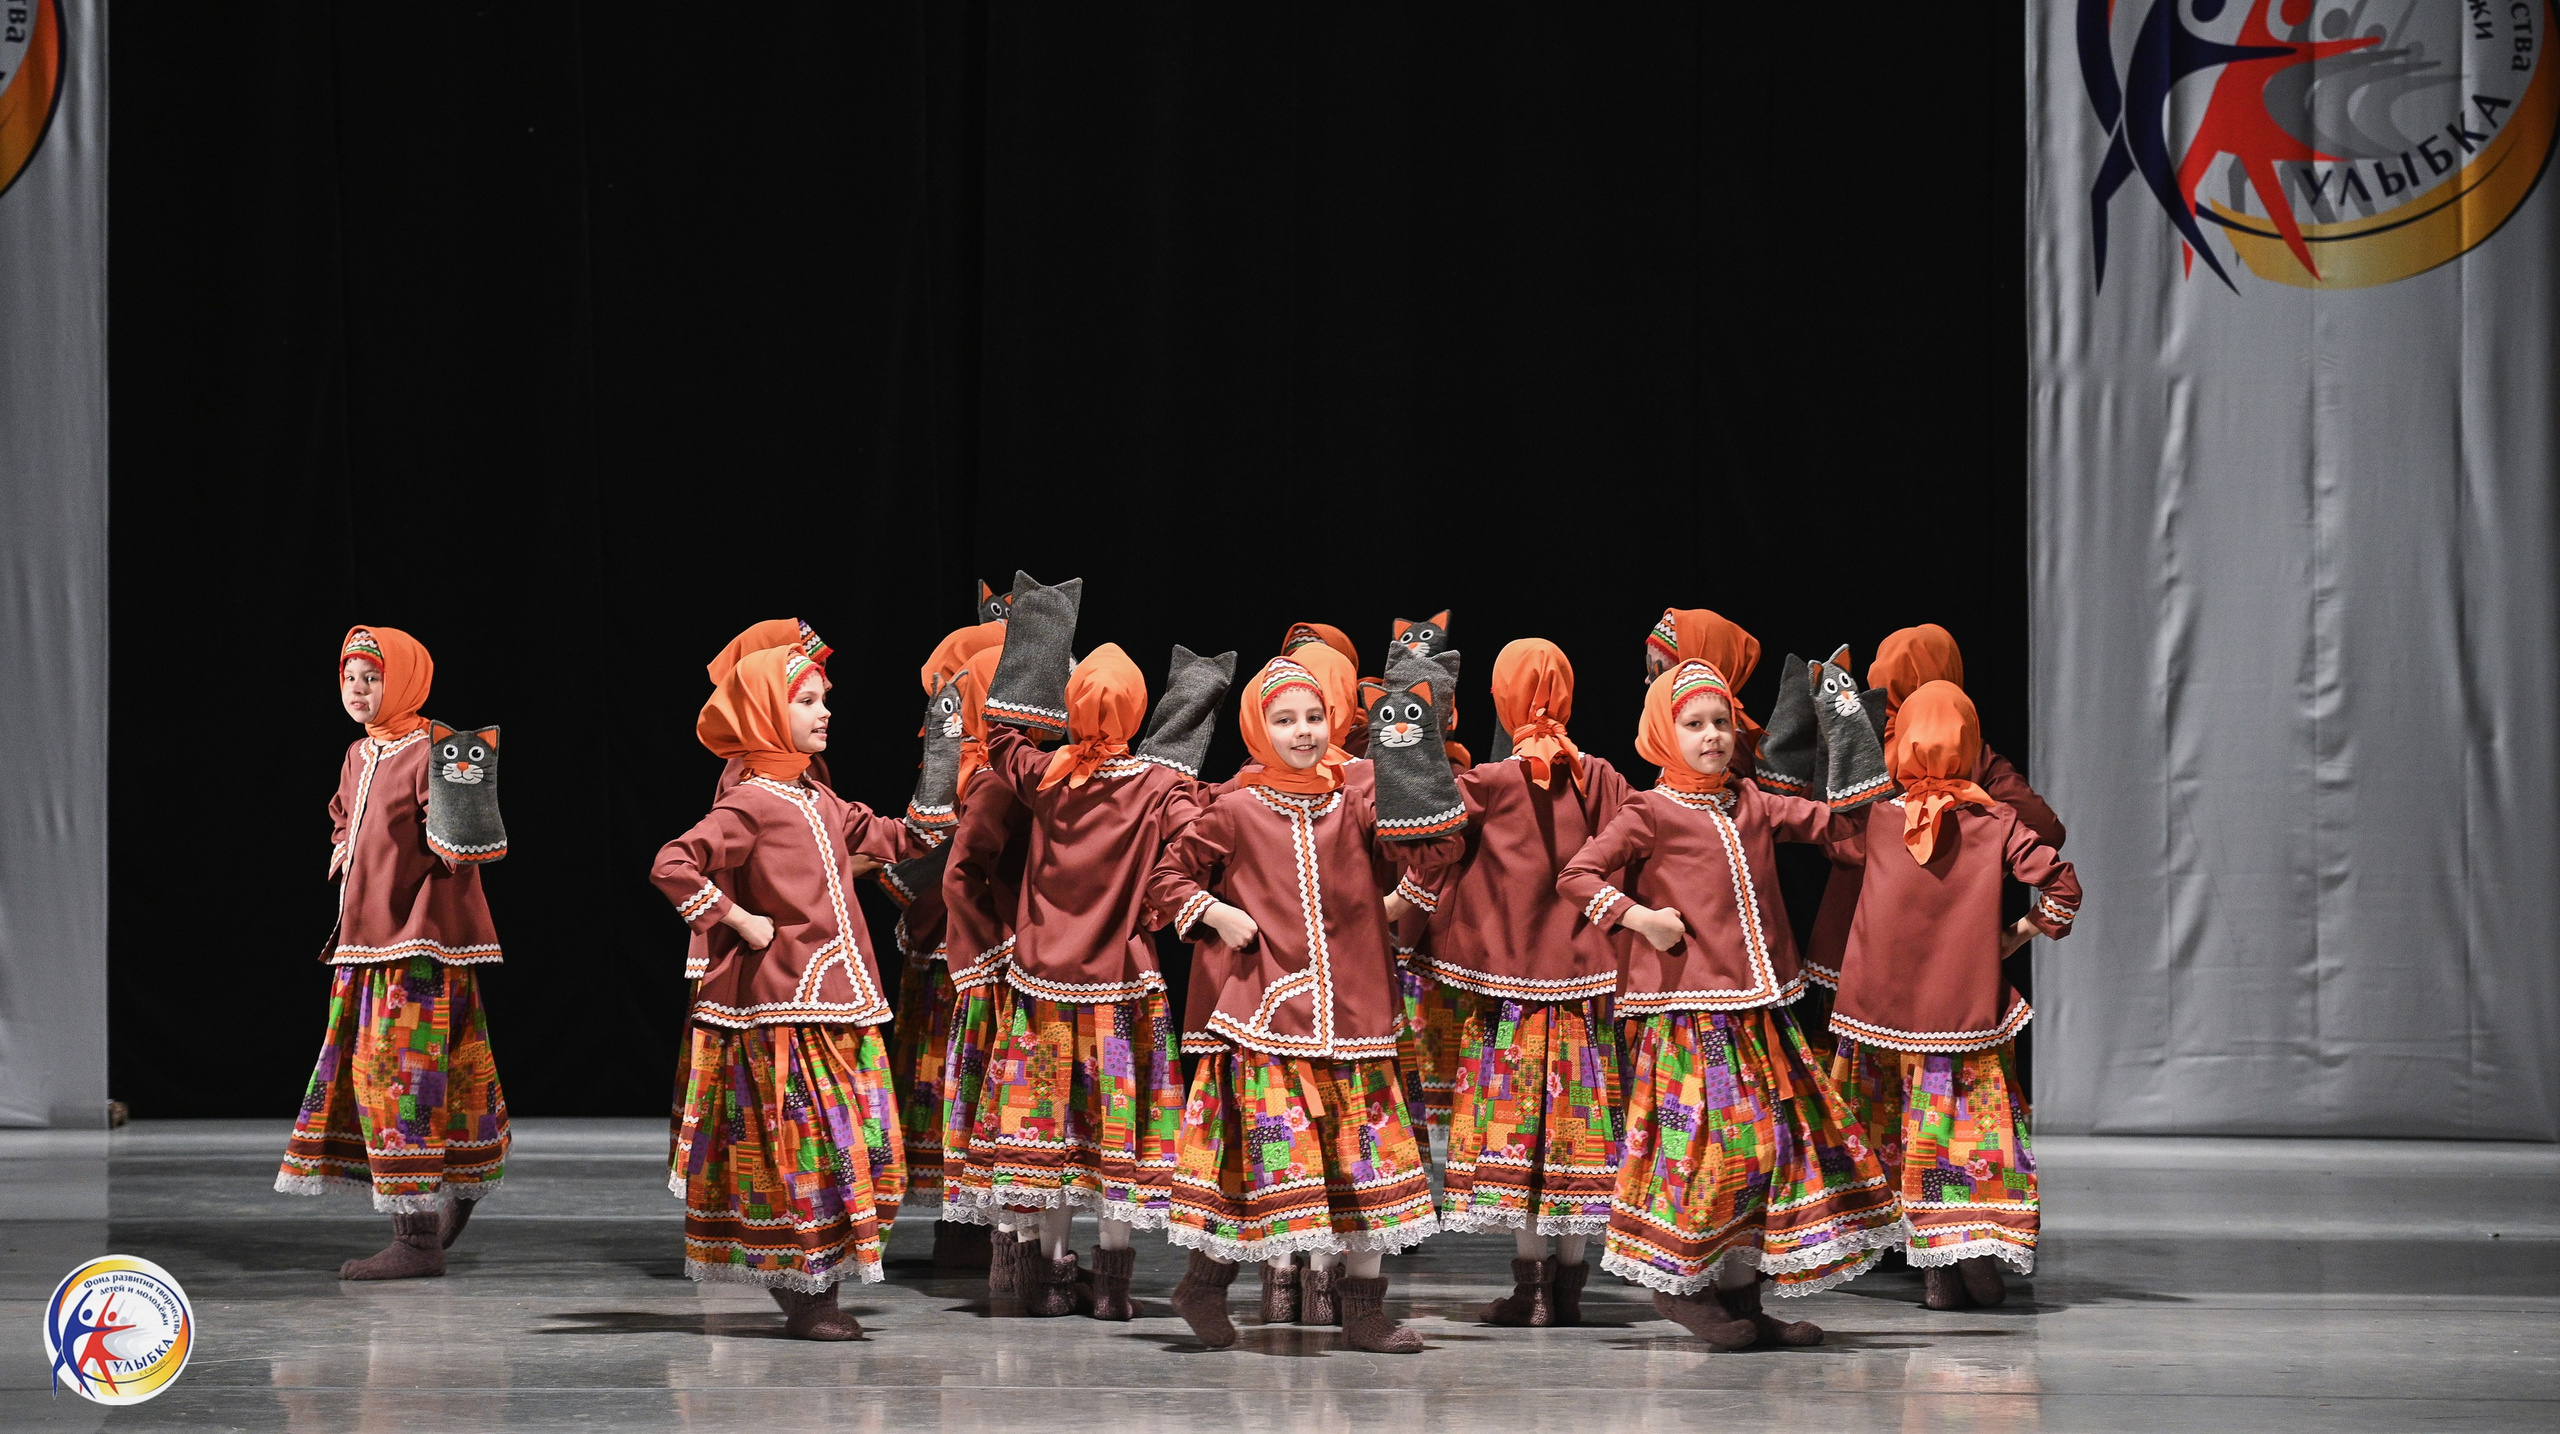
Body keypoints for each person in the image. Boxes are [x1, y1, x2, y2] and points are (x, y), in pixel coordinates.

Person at [1556, 660, 1902, 1350]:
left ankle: (1744, 1298)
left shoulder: (1750, 802)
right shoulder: (1647, 811)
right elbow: (1576, 875)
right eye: (1693, 724)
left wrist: (1855, 749)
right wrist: (1640, 918)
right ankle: (1676, 1285)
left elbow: (1837, 826)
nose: (1711, 736)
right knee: (1714, 1147)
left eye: (1719, 722)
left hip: (1755, 1011)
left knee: (1767, 1150)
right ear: (1663, 732)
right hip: (1687, 1016)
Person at [1147, 657, 1457, 1353]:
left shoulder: (1356, 794)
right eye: (1285, 720)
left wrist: (1415, 787)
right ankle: (1203, 1283)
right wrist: (1214, 914)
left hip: (1358, 1012)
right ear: (1260, 727)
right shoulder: (1235, 806)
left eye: (1314, 717)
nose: (1304, 732)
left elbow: (1432, 846)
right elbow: (1164, 877)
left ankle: (1366, 1312)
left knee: (1370, 1166)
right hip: (1268, 1016)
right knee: (1260, 1166)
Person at [649, 645, 919, 1338]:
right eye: (806, 701)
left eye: (824, 699)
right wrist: (737, 918)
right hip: (785, 1008)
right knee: (813, 1151)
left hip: (841, 1001)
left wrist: (955, 784)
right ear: (769, 712)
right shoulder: (748, 803)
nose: (824, 711)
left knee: (872, 1148)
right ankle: (811, 1294)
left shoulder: (817, 796)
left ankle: (811, 1284)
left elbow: (894, 835)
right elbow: (672, 863)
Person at [945, 643, 1192, 1322]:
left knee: (1046, 1132)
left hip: (1044, 984)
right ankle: (1112, 1287)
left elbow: (998, 739)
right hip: (1120, 983)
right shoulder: (1160, 785)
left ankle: (1048, 1278)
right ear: (1139, 709)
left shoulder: (1043, 774)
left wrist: (1034, 642)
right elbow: (1203, 837)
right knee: (1117, 1127)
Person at [1824, 679, 2078, 1311]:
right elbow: (2062, 888)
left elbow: (1811, 834)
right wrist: (2012, 937)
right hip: (1963, 1014)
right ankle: (1968, 1256)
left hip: (1880, 1014)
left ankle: (1931, 1266)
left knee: (1898, 1133)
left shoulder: (1878, 819)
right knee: (1968, 1136)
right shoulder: (1996, 820)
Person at [277, 626, 509, 1281]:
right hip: (367, 944)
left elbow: (466, 835)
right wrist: (345, 846)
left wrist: (452, 834)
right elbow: (345, 812)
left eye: (371, 678)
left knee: (397, 1083)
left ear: (402, 680)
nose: (358, 689)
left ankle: (416, 1241)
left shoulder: (436, 748)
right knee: (424, 1075)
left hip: (417, 949)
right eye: (349, 678)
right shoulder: (358, 754)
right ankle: (455, 1186)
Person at [1420, 639, 1636, 1326]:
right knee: (1576, 1134)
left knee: (1518, 1134)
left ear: (1502, 700)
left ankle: (1532, 1291)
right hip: (1583, 993)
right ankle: (1567, 1289)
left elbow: (1428, 834)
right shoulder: (1601, 778)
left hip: (1512, 997)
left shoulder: (1487, 782)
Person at [884, 622, 1004, 1271]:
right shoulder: (958, 758)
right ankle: (965, 1229)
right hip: (960, 949)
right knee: (958, 1077)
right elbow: (928, 837)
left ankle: (990, 1226)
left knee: (984, 1081)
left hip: (994, 947)